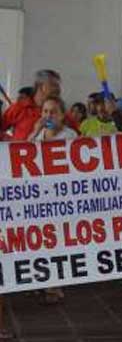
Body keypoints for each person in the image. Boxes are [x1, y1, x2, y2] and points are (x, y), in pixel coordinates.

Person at [27, 96, 77, 304]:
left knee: (57, 243)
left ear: (62, 115)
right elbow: (23, 154)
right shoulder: (39, 134)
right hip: (39, 195)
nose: (48, 116)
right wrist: (35, 132)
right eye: (45, 111)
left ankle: (55, 287)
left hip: (60, 197)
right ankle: (40, 280)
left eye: (53, 112)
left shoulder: (70, 135)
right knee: (39, 240)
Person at [2, 69, 68, 141]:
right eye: (54, 85)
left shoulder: (60, 111)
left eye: (58, 85)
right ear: (40, 86)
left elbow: (78, 139)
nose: (58, 89)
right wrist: (11, 141)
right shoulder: (19, 107)